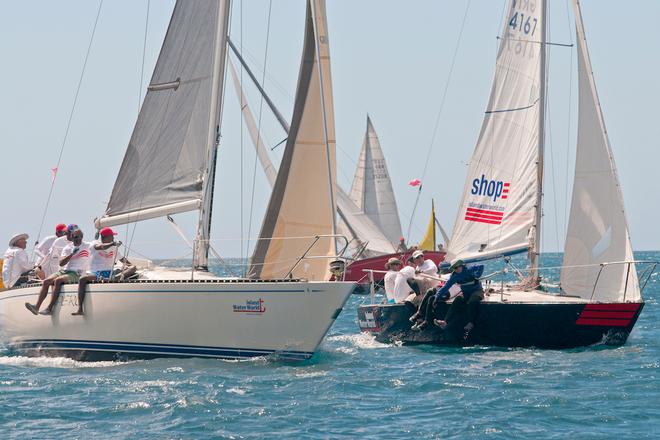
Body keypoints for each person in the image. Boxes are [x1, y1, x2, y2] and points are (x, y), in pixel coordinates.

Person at [25, 227, 91, 315]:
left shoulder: (87, 245)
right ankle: (36, 307)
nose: (78, 239)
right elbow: (61, 263)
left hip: (77, 273)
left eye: (80, 237)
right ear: (72, 237)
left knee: (58, 280)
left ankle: (49, 308)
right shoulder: (68, 248)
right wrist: (72, 254)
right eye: (76, 237)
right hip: (66, 271)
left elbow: (98, 246)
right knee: (46, 281)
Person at [73, 227, 123, 316]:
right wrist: (112, 244)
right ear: (104, 237)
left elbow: (123, 259)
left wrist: (131, 266)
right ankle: (80, 308)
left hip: (110, 273)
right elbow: (100, 247)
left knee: (132, 268)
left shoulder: (114, 247)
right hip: (96, 273)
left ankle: (114, 278)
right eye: (112, 236)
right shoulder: (94, 243)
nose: (113, 238)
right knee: (82, 279)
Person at [433, 260, 485, 334]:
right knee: (457, 299)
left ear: (462, 266)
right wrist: (436, 298)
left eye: (457, 267)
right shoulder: (454, 276)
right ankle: (445, 322)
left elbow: (481, 266)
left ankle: (471, 323)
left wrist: (477, 275)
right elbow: (445, 287)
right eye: (454, 268)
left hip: (477, 291)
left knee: (473, 301)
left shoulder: (469, 270)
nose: (456, 269)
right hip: (466, 293)